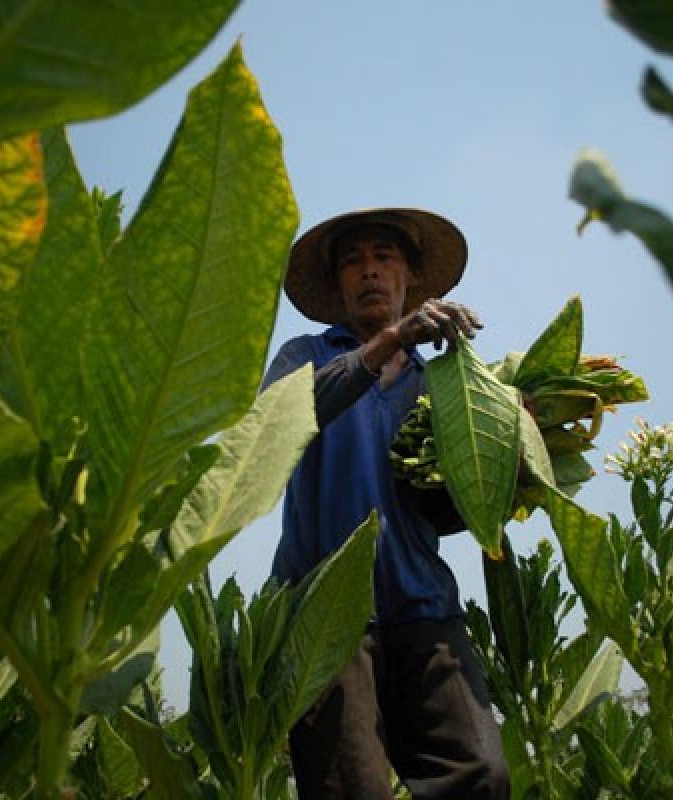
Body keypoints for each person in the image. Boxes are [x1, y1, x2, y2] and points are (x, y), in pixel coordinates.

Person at [261, 208, 510, 799]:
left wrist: (507, 459)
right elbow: (276, 426)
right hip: (327, 615)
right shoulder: (307, 356)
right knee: (349, 788)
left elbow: (445, 514)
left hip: (423, 606)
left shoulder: (442, 383)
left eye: (384, 257)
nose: (369, 271)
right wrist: (389, 342)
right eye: (353, 261)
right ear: (339, 284)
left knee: (481, 775)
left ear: (411, 277)